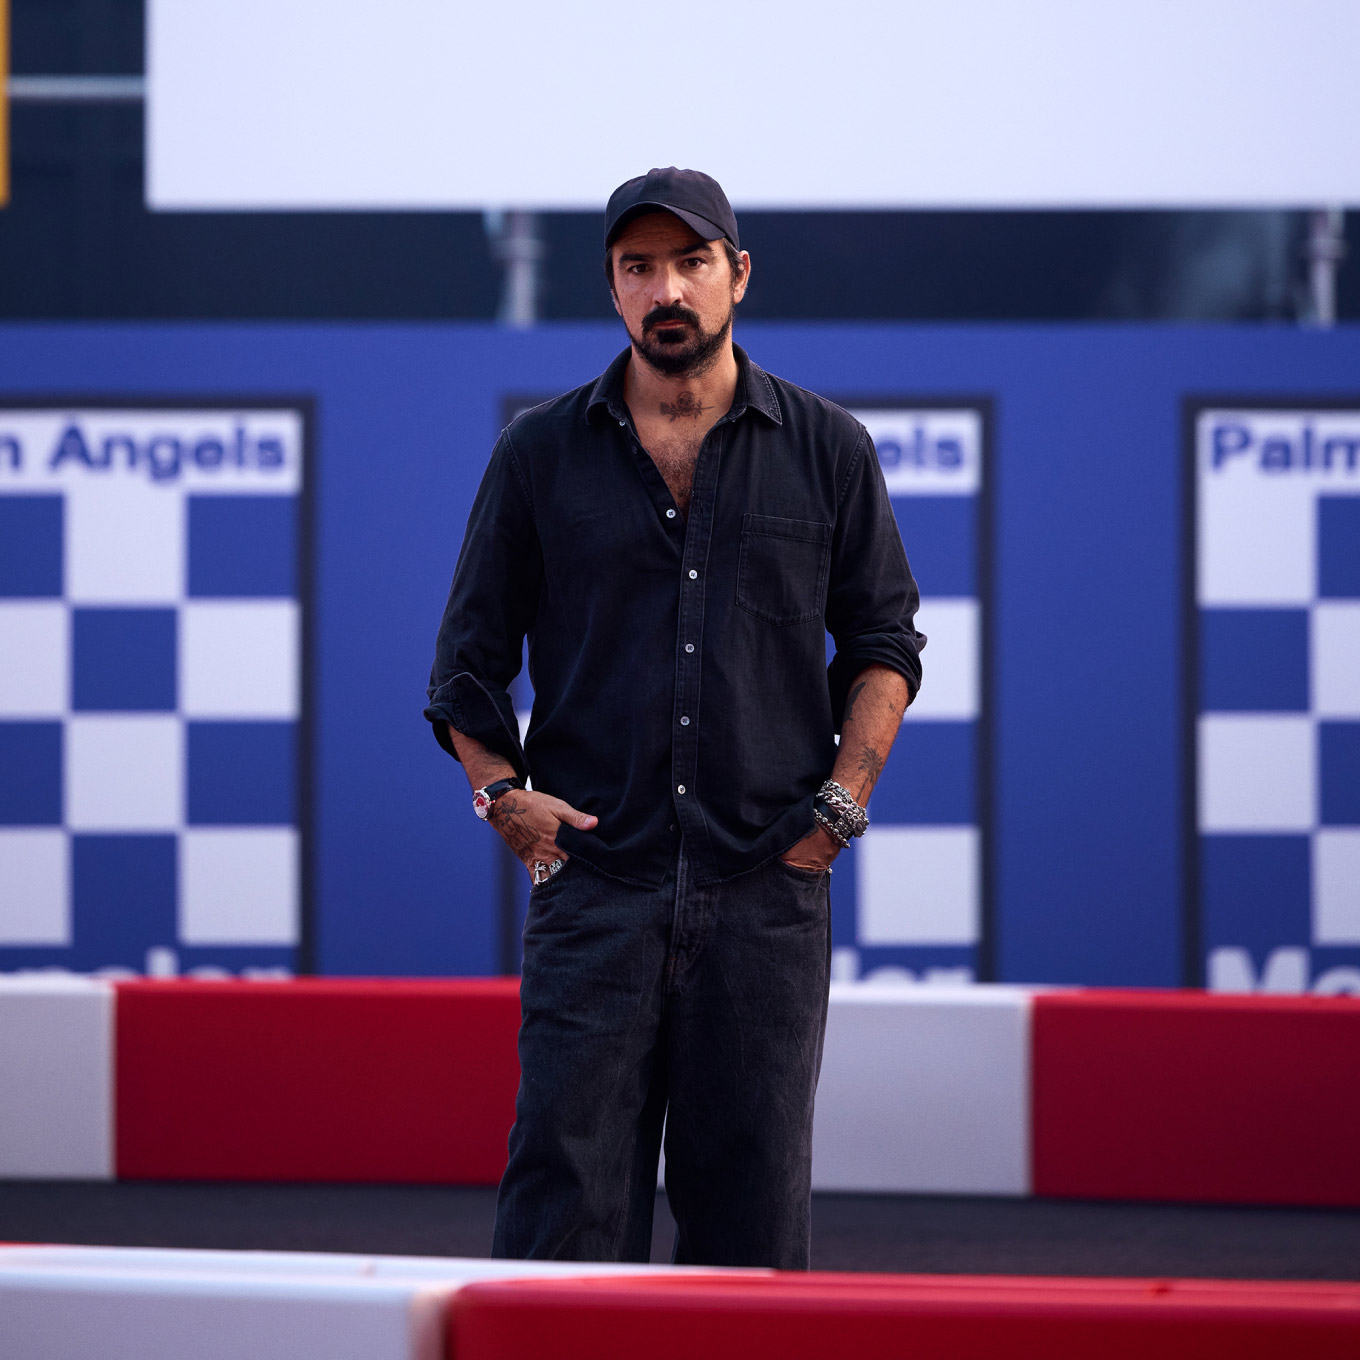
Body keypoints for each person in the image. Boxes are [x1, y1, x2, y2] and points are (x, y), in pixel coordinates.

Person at [425, 167, 924, 1268]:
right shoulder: (539, 453)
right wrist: (502, 798)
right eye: (639, 267)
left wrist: (838, 812)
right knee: (560, 1222)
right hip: (595, 889)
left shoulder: (827, 448)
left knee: (751, 1236)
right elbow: (465, 667)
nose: (668, 290)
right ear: (611, 287)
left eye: (691, 262)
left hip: (765, 894)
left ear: (737, 274)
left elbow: (884, 645)